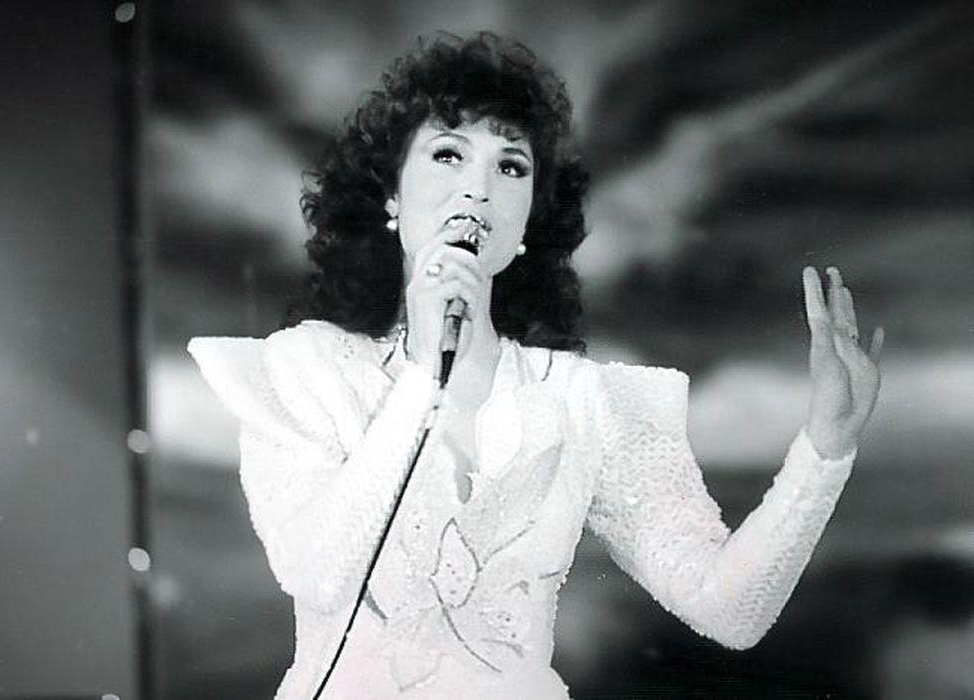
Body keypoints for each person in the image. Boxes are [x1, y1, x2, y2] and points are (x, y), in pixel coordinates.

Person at [188, 32, 883, 699]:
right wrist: (424, 374)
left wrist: (825, 452)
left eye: (511, 166)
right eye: (449, 154)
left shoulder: (582, 399)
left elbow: (730, 610)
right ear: (391, 195)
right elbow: (315, 572)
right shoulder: (307, 370)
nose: (478, 189)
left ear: (528, 222)